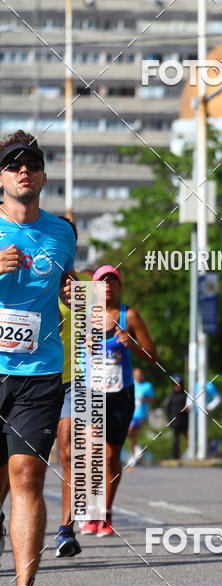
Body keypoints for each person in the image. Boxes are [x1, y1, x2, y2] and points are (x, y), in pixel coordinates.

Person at [0, 130, 77, 586]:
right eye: (13, 165)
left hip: (39, 373)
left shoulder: (62, 233)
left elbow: (66, 288)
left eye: (32, 164)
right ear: (1, 179)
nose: (23, 170)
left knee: (27, 475)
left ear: (44, 177)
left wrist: (74, 295)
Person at [81, 265, 157, 536]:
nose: (108, 286)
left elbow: (152, 356)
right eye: (103, 282)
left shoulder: (130, 315)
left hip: (120, 394)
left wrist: (130, 343)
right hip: (92, 392)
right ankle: (91, 510)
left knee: (112, 455)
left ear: (119, 287)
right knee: (92, 453)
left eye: (113, 282)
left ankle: (105, 513)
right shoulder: (84, 315)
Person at [54, 223, 87, 558]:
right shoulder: (32, 272)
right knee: (13, 462)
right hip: (27, 377)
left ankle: (66, 528)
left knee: (69, 453)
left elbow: (95, 330)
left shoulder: (85, 283)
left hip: (70, 380)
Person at [127, 367, 155, 465]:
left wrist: (145, 399)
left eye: (139, 375)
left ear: (142, 375)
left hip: (140, 414)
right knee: (132, 435)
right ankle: (135, 453)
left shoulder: (147, 386)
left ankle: (137, 450)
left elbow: (153, 399)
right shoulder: (130, 384)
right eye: (136, 375)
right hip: (129, 413)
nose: (138, 377)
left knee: (130, 430)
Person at [164, 374, 189, 459]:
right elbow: (166, 409)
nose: (178, 386)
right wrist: (169, 421)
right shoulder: (170, 396)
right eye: (175, 384)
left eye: (180, 384)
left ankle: (189, 454)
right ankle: (175, 457)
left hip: (186, 421)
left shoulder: (186, 394)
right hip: (175, 421)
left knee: (189, 438)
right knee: (176, 440)